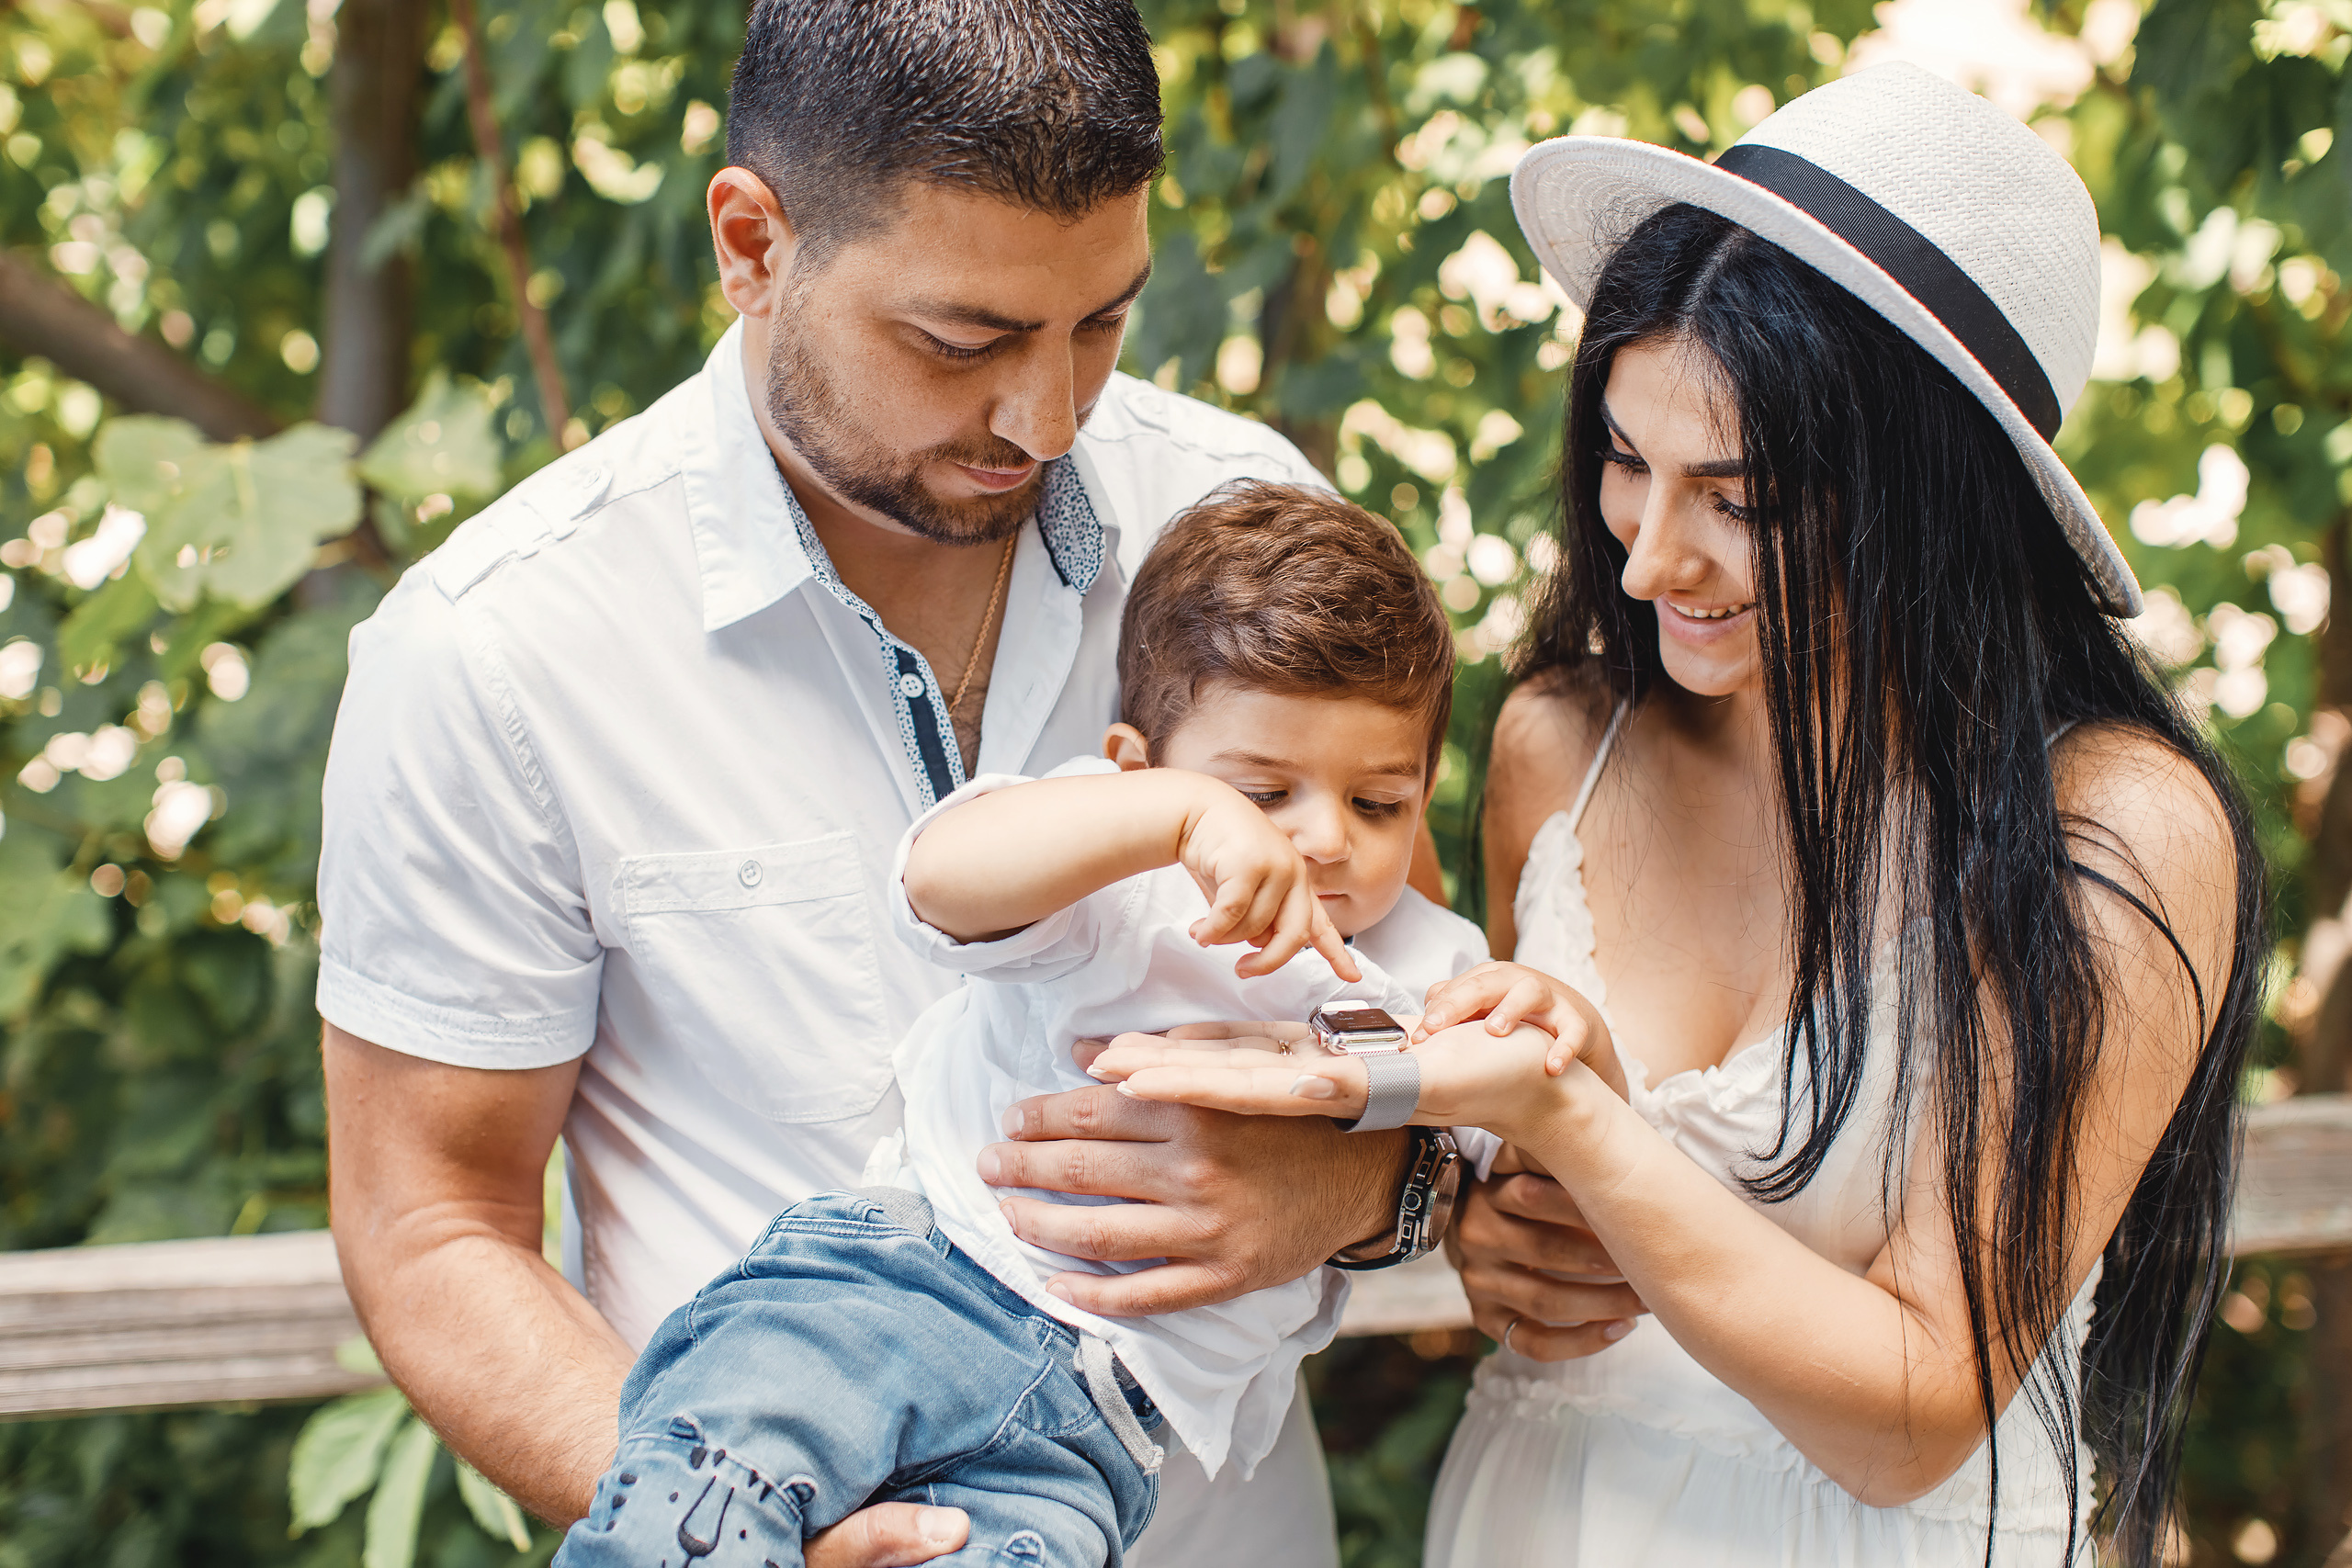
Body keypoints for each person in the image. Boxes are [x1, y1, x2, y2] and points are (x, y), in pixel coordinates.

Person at [1090, 64, 2267, 1568]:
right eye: (1628, 465)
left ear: (1937, 493)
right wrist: (1479, 1234)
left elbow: (1911, 1418)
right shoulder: (1559, 742)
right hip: (1537, 1510)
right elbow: (1492, 1184)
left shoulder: (2116, 831)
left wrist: (1562, 1113)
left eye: (1744, 499)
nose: (1650, 562)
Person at [313, 6, 1439, 1564]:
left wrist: (1357, 1191)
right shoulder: (493, 651)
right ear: (752, 241)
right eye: (963, 341)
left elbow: (1415, 1012)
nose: (1045, 418)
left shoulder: (1248, 534)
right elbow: (433, 1228)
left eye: (1102, 323)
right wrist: (747, 1522)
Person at [554, 482, 1487, 1566]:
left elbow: (1494, 1144)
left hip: (1096, 1429)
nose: (1324, 838)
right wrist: (1177, 823)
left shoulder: (1427, 966)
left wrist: (1548, 1030)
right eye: (1263, 792)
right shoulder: (1124, 878)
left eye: (1377, 803)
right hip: (912, 1292)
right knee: (715, 1479)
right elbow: (939, 876)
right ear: (1140, 768)